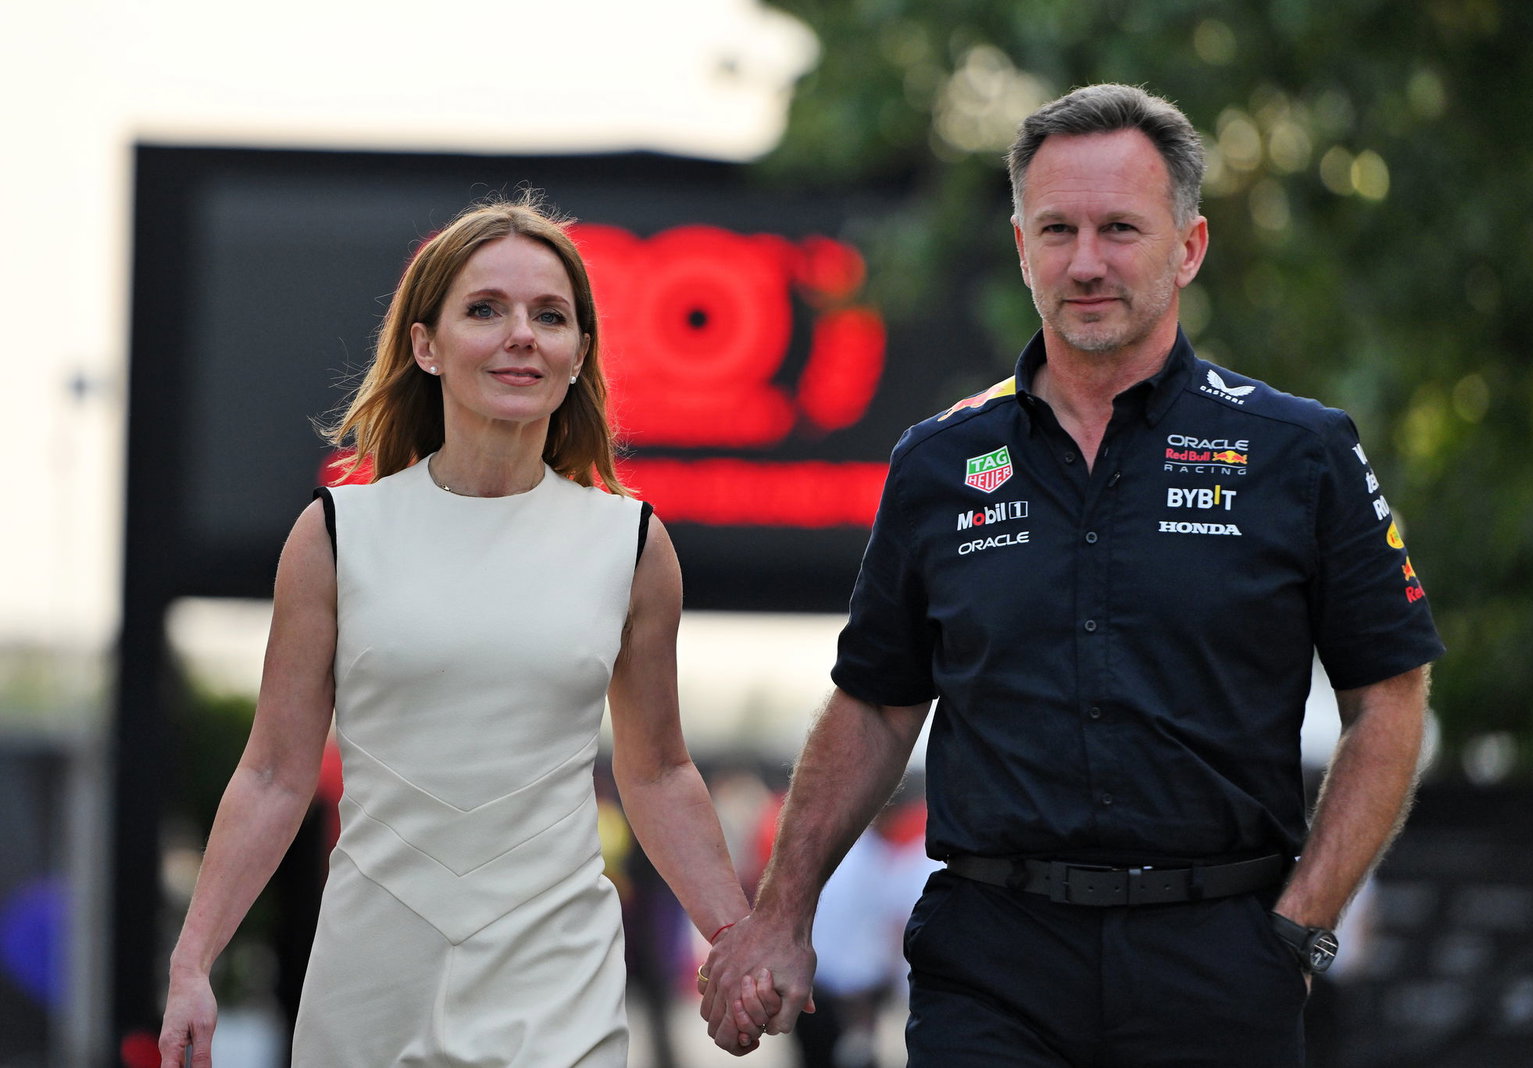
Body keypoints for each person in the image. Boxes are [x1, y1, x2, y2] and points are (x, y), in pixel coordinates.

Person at [699, 83, 1444, 1066]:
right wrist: (781, 915)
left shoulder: (1298, 452)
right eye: (1057, 230)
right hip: (992, 963)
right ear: (1021, 248)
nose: (1085, 262)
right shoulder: (939, 462)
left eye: (1119, 229)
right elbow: (875, 706)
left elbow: (1389, 696)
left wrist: (1300, 927)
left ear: (1189, 247)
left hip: (1218, 957)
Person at [157, 195, 751, 1067]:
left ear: (579, 353)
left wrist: (736, 941)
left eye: (550, 316)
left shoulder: (632, 544)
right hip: (372, 976)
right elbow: (275, 773)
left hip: (557, 978)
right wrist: (192, 962)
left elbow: (657, 772)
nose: (522, 336)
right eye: (485, 310)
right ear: (425, 345)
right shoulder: (333, 535)